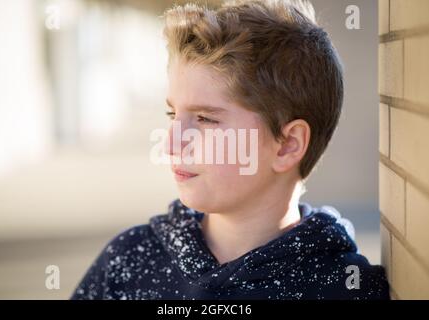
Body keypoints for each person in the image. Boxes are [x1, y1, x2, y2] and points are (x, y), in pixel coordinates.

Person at [71, 0, 389, 300]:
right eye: (173, 114)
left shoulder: (346, 287)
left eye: (206, 119)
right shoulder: (128, 262)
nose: (170, 143)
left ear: (288, 145)